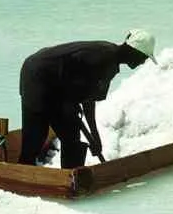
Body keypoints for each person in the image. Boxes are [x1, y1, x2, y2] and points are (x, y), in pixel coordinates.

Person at [17, 29, 157, 166]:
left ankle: (72, 177)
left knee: (71, 135)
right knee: (36, 134)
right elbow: (72, 79)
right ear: (135, 51)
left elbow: (88, 97)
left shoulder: (111, 61)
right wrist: (70, 106)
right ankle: (22, 175)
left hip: (56, 84)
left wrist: (94, 134)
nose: (143, 62)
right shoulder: (103, 57)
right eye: (144, 57)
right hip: (37, 75)